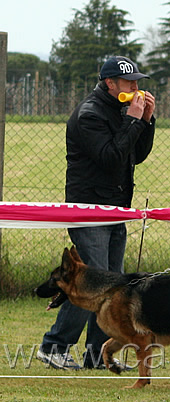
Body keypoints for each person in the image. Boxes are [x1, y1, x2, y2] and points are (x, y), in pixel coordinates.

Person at [37, 56, 156, 370]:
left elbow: (135, 155)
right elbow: (110, 158)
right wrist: (133, 120)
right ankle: (54, 346)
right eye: (130, 83)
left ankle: (96, 355)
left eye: (137, 83)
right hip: (88, 210)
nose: (136, 88)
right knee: (91, 282)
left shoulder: (120, 110)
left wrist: (146, 121)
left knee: (112, 285)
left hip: (116, 208)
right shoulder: (89, 114)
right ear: (110, 84)